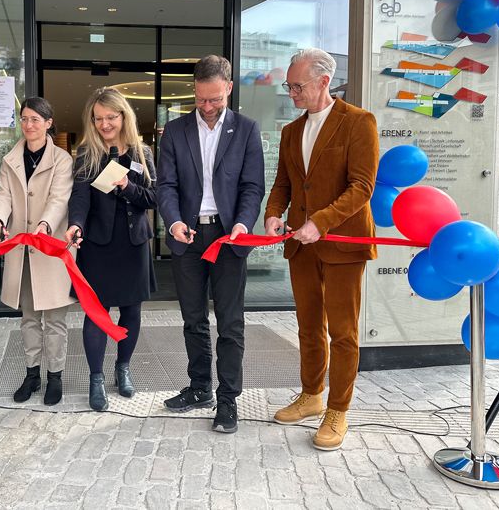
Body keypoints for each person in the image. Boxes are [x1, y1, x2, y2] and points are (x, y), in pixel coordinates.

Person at [264, 48, 378, 450]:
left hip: (343, 245)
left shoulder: (359, 122)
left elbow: (362, 187)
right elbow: (283, 184)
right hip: (301, 246)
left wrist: (320, 222)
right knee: (309, 327)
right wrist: (273, 213)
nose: (291, 93)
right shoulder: (291, 131)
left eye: (298, 86)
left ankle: (338, 409)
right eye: (289, 86)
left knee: (343, 333)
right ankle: (311, 395)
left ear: (324, 81)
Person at [157, 55, 265, 434]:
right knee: (193, 319)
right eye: (201, 99)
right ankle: (200, 387)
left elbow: (253, 186)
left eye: (215, 99)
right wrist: (173, 222)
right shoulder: (174, 131)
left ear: (229, 89)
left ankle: (228, 399)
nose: (207, 107)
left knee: (230, 323)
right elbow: (166, 185)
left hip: (228, 237)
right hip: (187, 235)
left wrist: (241, 223)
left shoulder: (248, 130)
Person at [64, 87, 156, 412]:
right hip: (98, 245)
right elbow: (79, 199)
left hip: (133, 244)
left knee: (131, 311)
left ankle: (123, 368)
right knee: (96, 313)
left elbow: (153, 197)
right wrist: (76, 224)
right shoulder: (86, 153)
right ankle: (96, 378)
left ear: (123, 116)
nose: (105, 124)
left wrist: (127, 187)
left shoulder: (142, 153)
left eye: (111, 117)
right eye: (99, 118)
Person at [0, 97, 76, 406]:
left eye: (35, 120)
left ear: (48, 124)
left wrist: (43, 225)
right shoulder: (11, 158)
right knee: (28, 319)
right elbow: (3, 194)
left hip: (49, 249)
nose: (28, 125)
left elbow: (59, 198)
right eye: (24, 119)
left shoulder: (62, 160)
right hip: (22, 251)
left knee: (54, 320)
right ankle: (31, 373)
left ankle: (55, 376)